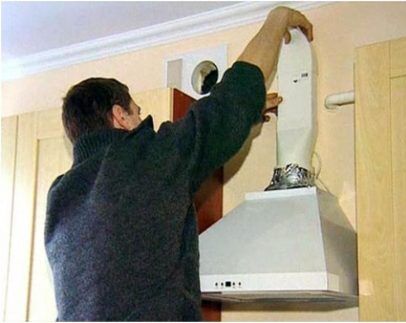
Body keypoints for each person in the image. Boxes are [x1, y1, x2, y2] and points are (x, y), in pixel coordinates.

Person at [45, 6, 313, 321]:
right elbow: (232, 98)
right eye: (137, 112)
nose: (146, 123)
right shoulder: (146, 158)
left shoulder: (60, 195)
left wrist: (247, 113)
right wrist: (277, 18)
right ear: (120, 116)